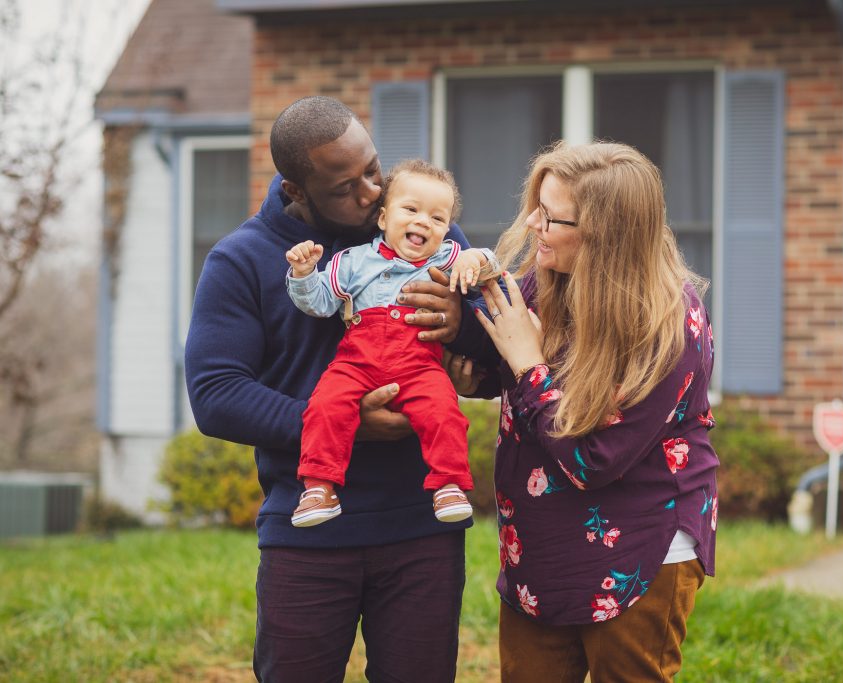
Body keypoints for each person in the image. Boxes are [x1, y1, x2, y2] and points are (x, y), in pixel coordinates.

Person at [184, 96, 480, 682]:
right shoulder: (242, 260)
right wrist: (344, 423)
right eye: (346, 186)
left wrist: (460, 325)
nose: (372, 194)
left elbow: (491, 341)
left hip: (422, 525)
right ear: (296, 190)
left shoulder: (425, 233)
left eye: (373, 169)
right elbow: (215, 393)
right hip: (308, 531)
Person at [457, 141, 719, 682]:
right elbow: (504, 361)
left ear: (606, 236)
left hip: (639, 554)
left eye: (551, 217)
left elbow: (593, 461)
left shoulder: (668, 323)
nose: (532, 223)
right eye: (536, 205)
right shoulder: (547, 279)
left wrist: (527, 364)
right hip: (539, 549)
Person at [285, 158, 499, 527]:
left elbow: (491, 264)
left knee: (443, 409)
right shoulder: (351, 261)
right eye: (411, 209)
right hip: (356, 361)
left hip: (419, 363)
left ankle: (448, 484)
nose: (422, 222)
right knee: (325, 405)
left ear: (447, 230)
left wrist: (474, 257)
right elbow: (319, 304)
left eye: (436, 218)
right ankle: (319, 486)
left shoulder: (446, 259)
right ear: (383, 219)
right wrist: (304, 274)